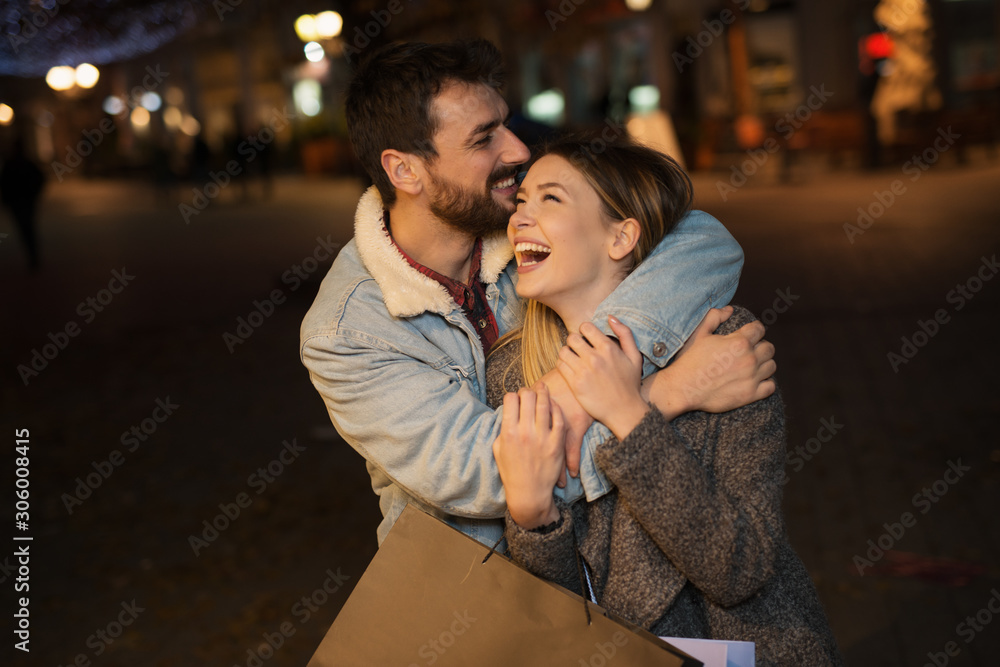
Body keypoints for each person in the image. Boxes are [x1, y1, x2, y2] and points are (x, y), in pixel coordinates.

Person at [299, 39, 775, 547]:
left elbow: (700, 239)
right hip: (476, 594)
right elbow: (488, 471)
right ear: (404, 170)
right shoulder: (346, 334)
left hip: (591, 562)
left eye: (505, 122)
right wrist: (662, 393)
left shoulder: (521, 224)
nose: (519, 151)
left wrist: (605, 362)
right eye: (485, 139)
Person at [488, 137, 842, 665]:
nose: (520, 217)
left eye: (550, 199)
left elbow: (738, 568)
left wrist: (631, 416)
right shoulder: (512, 377)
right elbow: (555, 613)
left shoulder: (720, 341)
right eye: (520, 202)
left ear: (621, 236)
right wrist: (534, 520)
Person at [0, 136, 46, 271]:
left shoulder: (15, 163)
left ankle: (33, 256)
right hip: (23, 202)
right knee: (28, 228)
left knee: (26, 229)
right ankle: (33, 256)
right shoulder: (23, 163)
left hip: (21, 202)